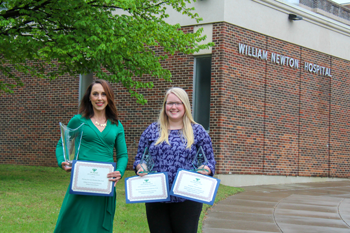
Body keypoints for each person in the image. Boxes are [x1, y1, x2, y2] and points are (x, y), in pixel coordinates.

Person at [133, 87, 216, 233]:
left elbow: (209, 161)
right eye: (170, 103)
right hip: (156, 197)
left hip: (188, 198)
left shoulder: (197, 131)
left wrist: (206, 169)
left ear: (185, 105)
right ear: (165, 106)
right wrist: (141, 167)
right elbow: (140, 158)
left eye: (178, 103)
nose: (173, 107)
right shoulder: (152, 130)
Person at [54, 79, 128, 233]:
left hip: (104, 183)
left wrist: (119, 171)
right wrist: (62, 161)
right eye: (95, 94)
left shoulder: (116, 125)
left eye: (103, 94)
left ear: (109, 97)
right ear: (89, 97)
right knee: (73, 224)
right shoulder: (78, 120)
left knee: (97, 227)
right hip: (81, 182)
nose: (99, 98)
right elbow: (62, 144)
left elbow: (122, 155)